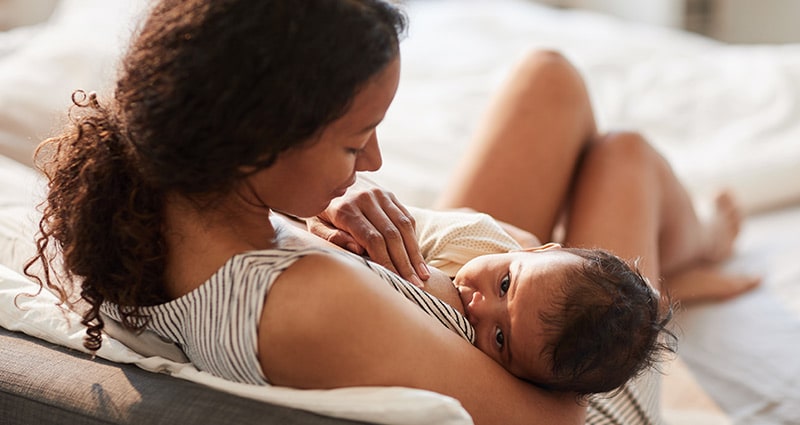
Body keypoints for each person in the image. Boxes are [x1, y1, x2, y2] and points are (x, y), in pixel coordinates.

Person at [23, 2, 758, 425]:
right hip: (575, 376)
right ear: (258, 143)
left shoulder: (156, 193)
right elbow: (556, 419)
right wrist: (509, 270)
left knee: (550, 79)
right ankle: (688, 256)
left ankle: (673, 259)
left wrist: (323, 218)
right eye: (352, 141)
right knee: (624, 156)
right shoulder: (309, 304)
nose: (374, 160)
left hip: (465, 299)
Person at [397, 205, 673, 396]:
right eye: (504, 285)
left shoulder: (526, 375)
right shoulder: (473, 236)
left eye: (500, 338)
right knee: (626, 149)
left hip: (622, 406)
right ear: (536, 250)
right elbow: (390, 223)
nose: (477, 306)